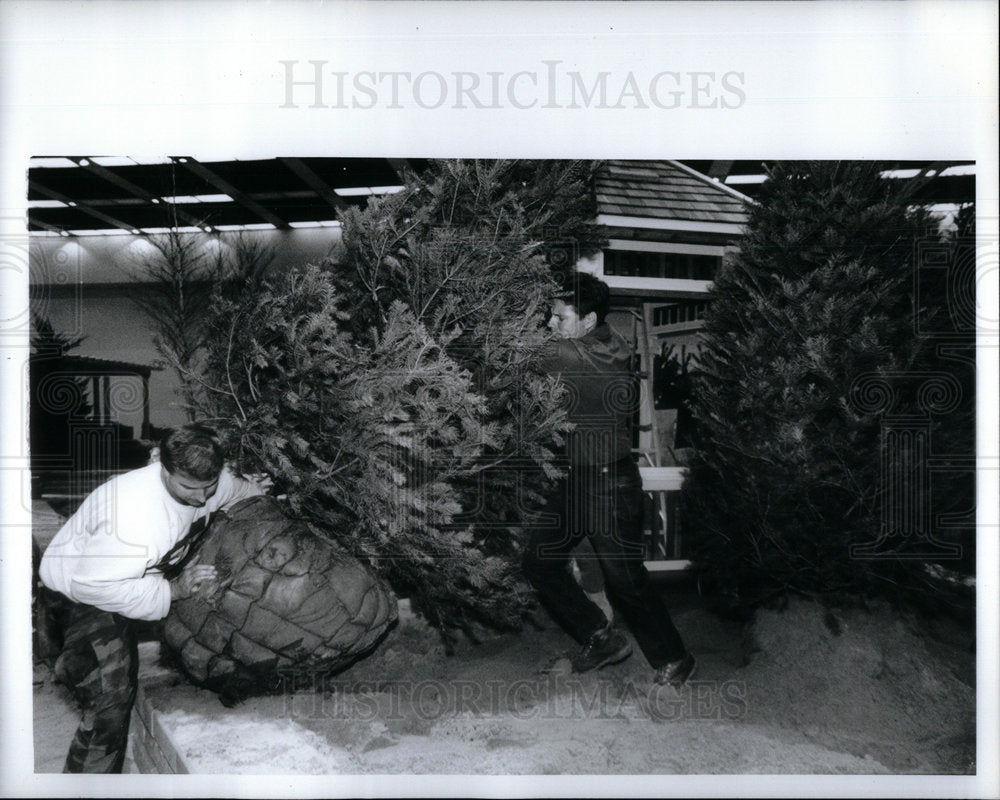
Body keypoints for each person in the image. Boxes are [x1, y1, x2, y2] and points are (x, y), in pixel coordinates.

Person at [38, 422, 269, 773]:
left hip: (130, 577)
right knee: (107, 701)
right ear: (164, 467)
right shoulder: (133, 520)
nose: (201, 498)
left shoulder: (209, 482)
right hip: (77, 595)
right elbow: (92, 586)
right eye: (188, 488)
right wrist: (171, 591)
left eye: (208, 487)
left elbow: (240, 491)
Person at [523, 271, 696, 688]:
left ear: (587, 321)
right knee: (539, 560)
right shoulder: (598, 341)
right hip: (576, 480)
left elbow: (522, 351)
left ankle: (675, 658)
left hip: (609, 486)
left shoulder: (585, 358)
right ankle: (600, 638)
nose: (551, 324)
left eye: (559, 317)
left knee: (626, 581)